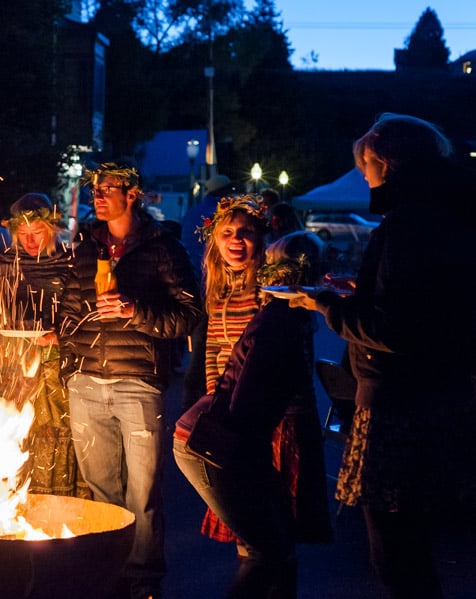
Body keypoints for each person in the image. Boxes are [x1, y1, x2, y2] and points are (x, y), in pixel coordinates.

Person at [290, 113, 476, 598]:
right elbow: (424, 305)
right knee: (409, 545)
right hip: (435, 396)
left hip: (398, 408)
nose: (363, 175)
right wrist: (362, 291)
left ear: (388, 163)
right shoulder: (445, 214)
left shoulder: (408, 224)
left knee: (395, 550)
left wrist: (326, 304)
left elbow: (395, 328)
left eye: (366, 164)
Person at [57, 162, 202, 599]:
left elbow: (189, 315)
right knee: (101, 486)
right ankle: (108, 572)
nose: (98, 195)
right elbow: (68, 307)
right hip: (85, 380)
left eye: (108, 188)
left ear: (133, 194)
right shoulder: (85, 245)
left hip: (137, 381)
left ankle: (143, 579)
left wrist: (134, 311)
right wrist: (66, 351)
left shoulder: (163, 248)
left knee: (142, 492)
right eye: (95, 188)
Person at [173, 230, 333, 598]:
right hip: (212, 441)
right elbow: (244, 404)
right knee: (266, 550)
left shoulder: (283, 317)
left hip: (224, 435)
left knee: (278, 547)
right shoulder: (279, 324)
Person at [0, 192, 88, 497]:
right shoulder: (2, 261)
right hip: (14, 364)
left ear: (51, 229)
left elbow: (82, 311)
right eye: (23, 235)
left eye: (37, 233)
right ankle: (18, 501)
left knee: (59, 430)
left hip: (56, 364)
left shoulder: (69, 260)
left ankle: (60, 499)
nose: (30, 241)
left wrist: (60, 334)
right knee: (18, 430)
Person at [191, 195, 270, 544]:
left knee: (263, 509)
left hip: (258, 405)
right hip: (225, 404)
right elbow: (211, 346)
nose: (236, 240)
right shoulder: (218, 287)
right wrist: (212, 394)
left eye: (245, 232)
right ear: (215, 239)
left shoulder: (267, 286)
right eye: (227, 232)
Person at [180, 173, 237, 409]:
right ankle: (198, 399)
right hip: (214, 285)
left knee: (202, 343)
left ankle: (193, 396)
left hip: (192, 282)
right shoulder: (223, 213)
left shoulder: (192, 212)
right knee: (208, 345)